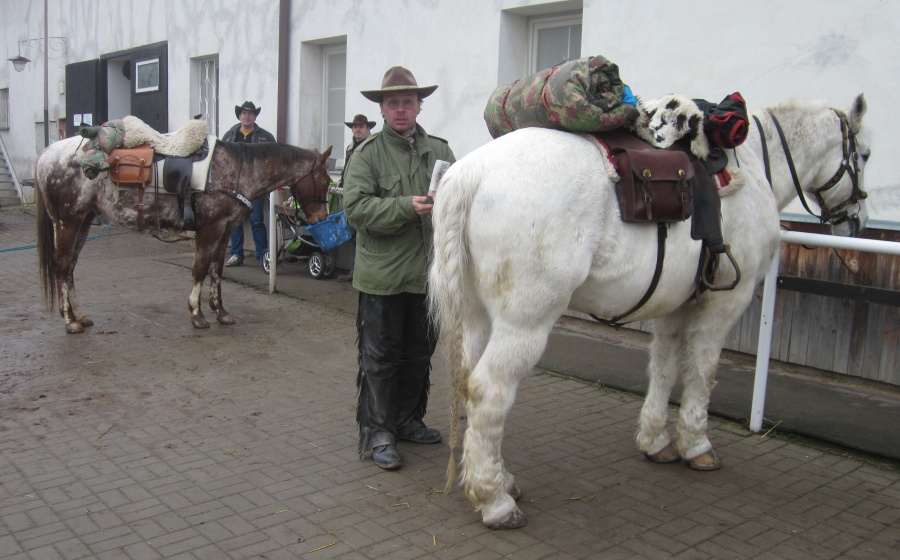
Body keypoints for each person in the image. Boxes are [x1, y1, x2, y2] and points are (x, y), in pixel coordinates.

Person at [342, 67, 456, 470]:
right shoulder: (367, 154)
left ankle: (408, 420)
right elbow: (354, 210)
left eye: (408, 102)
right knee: (381, 356)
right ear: (382, 108)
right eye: (393, 103)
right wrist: (404, 206)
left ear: (419, 105)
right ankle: (380, 433)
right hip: (383, 277)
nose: (402, 109)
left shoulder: (439, 150)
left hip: (427, 276)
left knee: (419, 353)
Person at [223, 101, 276, 270]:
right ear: (239, 116)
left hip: (256, 186)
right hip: (235, 185)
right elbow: (222, 160)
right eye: (244, 113)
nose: (247, 116)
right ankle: (236, 254)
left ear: (254, 116)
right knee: (235, 221)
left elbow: (274, 160)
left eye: (250, 113)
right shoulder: (229, 136)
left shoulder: (266, 137)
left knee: (257, 221)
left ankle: (262, 256)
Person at [336, 114, 376, 283]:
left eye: (361, 126)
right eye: (355, 126)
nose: (357, 129)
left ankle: (365, 273)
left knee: (366, 236)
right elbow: (348, 170)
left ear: (368, 128)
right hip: (350, 197)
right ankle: (355, 271)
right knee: (352, 237)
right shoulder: (350, 147)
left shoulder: (373, 146)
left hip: (367, 197)